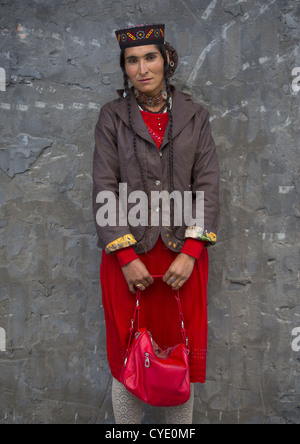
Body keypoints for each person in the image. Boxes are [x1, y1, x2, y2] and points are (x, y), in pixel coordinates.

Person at [92, 23, 220, 424]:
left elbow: (208, 186)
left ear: (167, 60)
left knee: (178, 353)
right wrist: (127, 257)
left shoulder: (195, 117)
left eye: (150, 57)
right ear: (125, 68)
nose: (142, 67)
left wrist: (192, 253)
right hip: (128, 262)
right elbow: (104, 188)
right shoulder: (112, 118)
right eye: (132, 60)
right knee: (129, 356)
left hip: (183, 260)